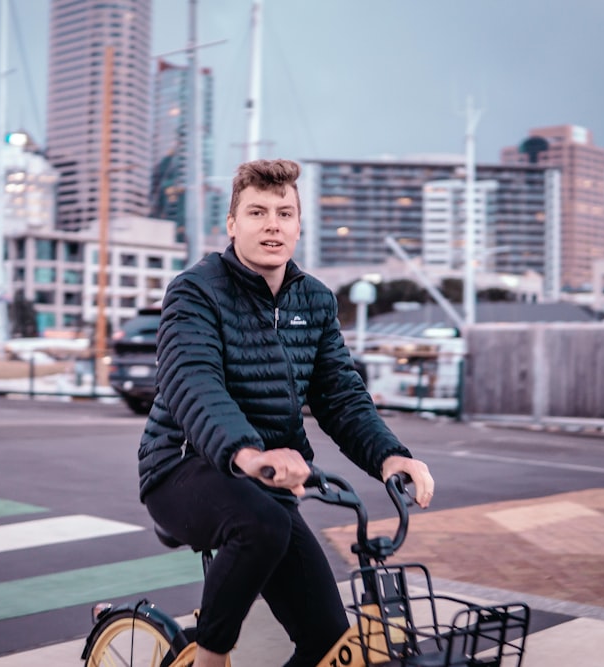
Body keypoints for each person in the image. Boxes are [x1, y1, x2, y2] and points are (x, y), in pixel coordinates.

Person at [137, 158, 435, 667]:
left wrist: (390, 457)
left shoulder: (314, 299)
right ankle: (210, 659)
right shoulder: (195, 291)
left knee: (331, 644)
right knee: (261, 526)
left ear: (298, 226)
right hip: (182, 468)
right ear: (232, 225)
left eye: (284, 213)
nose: (272, 224)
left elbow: (339, 394)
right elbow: (194, 383)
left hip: (269, 484)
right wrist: (249, 454)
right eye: (256, 212)